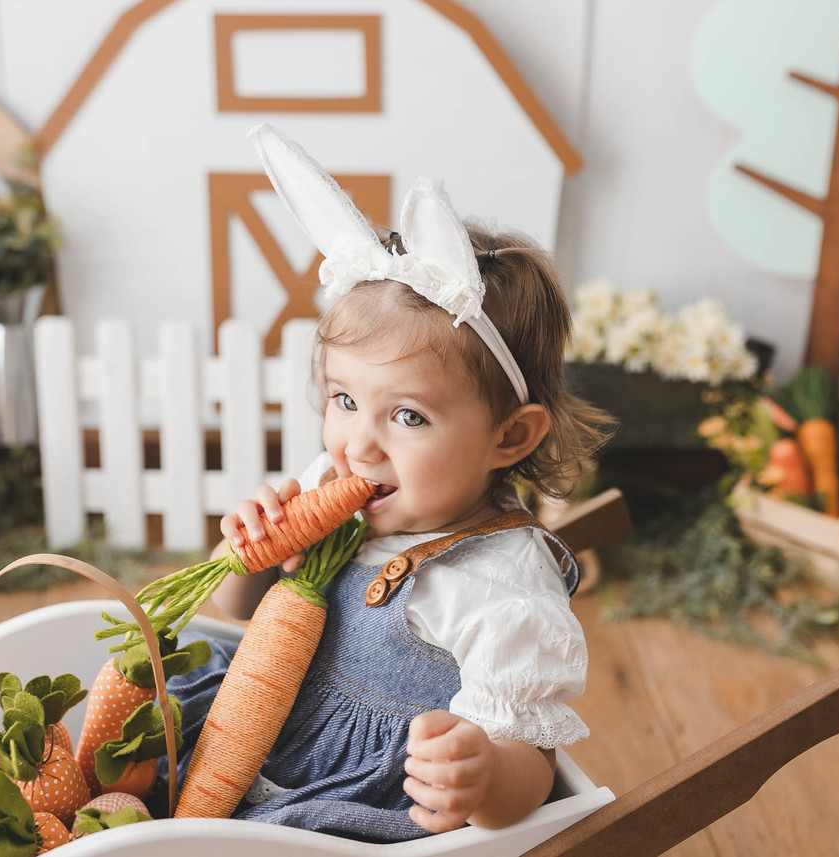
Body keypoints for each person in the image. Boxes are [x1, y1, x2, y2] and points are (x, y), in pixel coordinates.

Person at [163, 125, 612, 842]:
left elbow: (535, 762)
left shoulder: (504, 588)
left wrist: (486, 776)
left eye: (407, 415)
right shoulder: (335, 478)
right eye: (343, 401)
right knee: (143, 718)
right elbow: (247, 616)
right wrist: (248, 559)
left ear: (510, 436)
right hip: (251, 724)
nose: (358, 443)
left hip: (348, 804)